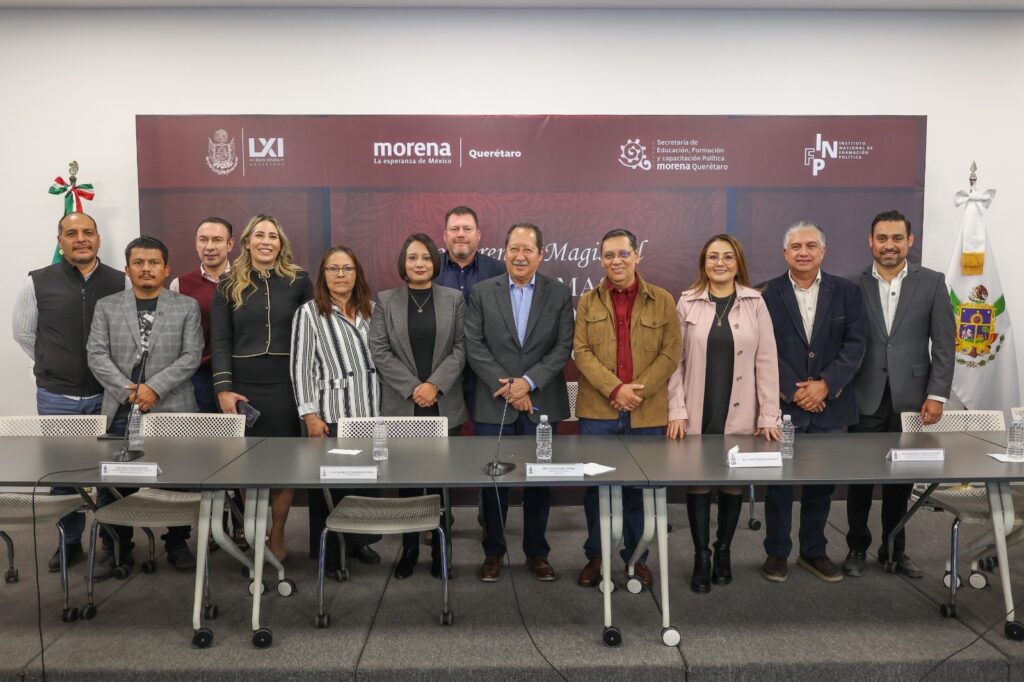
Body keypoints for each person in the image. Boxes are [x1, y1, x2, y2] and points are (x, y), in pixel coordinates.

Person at [665, 234, 781, 593]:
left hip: (743, 410)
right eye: (713, 256)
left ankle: (724, 551)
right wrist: (677, 409)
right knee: (698, 483)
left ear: (738, 262)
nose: (720, 262)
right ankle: (701, 555)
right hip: (698, 409)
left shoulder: (754, 302)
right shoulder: (685, 302)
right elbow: (675, 364)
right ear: (703, 262)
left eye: (727, 257)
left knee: (732, 483)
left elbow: (766, 361)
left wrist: (768, 416)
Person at [843, 210, 955, 578]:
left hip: (913, 399)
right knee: (859, 480)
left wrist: (937, 395)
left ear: (910, 241)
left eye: (896, 238)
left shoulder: (933, 283)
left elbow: (944, 343)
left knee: (900, 481)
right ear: (870, 242)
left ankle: (894, 549)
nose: (889, 245)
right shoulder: (850, 284)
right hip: (864, 396)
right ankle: (856, 548)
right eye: (881, 238)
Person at [12, 212, 126, 572]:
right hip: (57, 396)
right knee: (64, 475)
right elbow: (25, 334)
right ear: (59, 240)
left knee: (112, 473)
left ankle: (114, 539)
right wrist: (52, 362)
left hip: (107, 394)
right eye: (71, 233)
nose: (81, 239)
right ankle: (69, 542)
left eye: (87, 232)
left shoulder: (120, 282)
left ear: (98, 239)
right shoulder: (37, 282)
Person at [86, 236, 203, 578]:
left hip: (173, 410)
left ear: (166, 269)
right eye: (138, 262)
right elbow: (96, 354)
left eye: (154, 263)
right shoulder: (107, 306)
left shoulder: (186, 306)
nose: (146, 268)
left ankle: (177, 542)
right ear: (127, 269)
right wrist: (130, 392)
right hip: (121, 409)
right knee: (113, 482)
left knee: (177, 480)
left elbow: (191, 355)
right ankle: (116, 546)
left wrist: (154, 388)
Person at [465, 223, 574, 583]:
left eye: (528, 249)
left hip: (541, 399)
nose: (520, 255)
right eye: (513, 248)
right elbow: (474, 344)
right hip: (493, 399)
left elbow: (562, 347)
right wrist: (510, 387)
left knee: (539, 480)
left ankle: (536, 552)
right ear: (504, 251)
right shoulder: (482, 292)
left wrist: (527, 384)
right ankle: (493, 552)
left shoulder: (558, 293)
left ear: (541, 254)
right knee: (493, 481)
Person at [573, 229, 681, 590]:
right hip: (598, 412)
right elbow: (582, 352)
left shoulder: (662, 300)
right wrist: (615, 389)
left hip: (646, 412)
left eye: (622, 254)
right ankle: (597, 556)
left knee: (639, 489)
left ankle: (636, 558)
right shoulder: (588, 301)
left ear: (637, 256)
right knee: (596, 490)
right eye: (608, 255)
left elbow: (670, 352)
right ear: (601, 260)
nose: (615, 261)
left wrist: (638, 391)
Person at [760, 221, 866, 583]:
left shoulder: (847, 292)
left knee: (821, 483)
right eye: (795, 246)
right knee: (779, 485)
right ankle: (776, 552)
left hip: (831, 404)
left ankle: (813, 551)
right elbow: (763, 349)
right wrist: (795, 390)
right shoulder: (766, 294)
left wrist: (825, 385)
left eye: (810, 245)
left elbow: (856, 344)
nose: (803, 252)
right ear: (784, 253)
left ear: (823, 251)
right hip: (784, 406)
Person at [211, 214, 313, 562]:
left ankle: (278, 531)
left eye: (273, 235)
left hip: (286, 383)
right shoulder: (228, 283)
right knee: (247, 465)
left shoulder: (299, 280)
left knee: (283, 463)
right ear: (247, 242)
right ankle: (253, 534)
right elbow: (221, 339)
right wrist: (223, 388)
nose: (266, 241)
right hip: (244, 387)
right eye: (259, 235)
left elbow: (315, 331)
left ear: (280, 243)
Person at [369, 234, 467, 579]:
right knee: (408, 481)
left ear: (434, 263)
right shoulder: (385, 301)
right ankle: (409, 548)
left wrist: (434, 385)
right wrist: (414, 389)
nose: (420, 264)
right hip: (403, 405)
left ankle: (442, 548)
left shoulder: (454, 299)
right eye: (412, 258)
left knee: (442, 481)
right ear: (403, 264)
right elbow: (379, 351)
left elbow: (461, 348)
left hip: (443, 403)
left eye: (425, 257)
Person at [291, 245, 384, 573]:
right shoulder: (309, 313)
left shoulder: (372, 309)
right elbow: (301, 368)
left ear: (357, 273)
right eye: (334, 269)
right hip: (331, 414)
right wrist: (310, 415)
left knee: (362, 484)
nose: (341, 275)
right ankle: (329, 554)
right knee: (329, 486)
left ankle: (358, 543)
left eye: (347, 269)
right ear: (323, 275)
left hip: (370, 411)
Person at [436, 205, 506, 417]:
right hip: (442, 369)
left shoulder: (499, 271)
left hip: (486, 371)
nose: (460, 235)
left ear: (478, 235)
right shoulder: (429, 269)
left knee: (488, 437)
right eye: (455, 229)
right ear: (445, 235)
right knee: (443, 440)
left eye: (467, 229)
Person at [170, 217, 235, 413]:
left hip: (240, 373)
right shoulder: (180, 285)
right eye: (203, 240)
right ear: (196, 243)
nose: (209, 246)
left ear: (230, 244)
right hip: (199, 377)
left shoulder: (246, 281)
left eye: (217, 240)